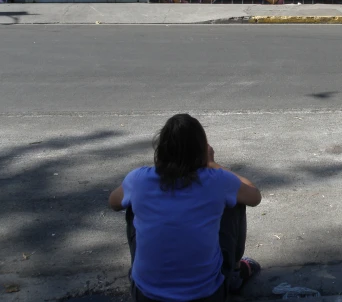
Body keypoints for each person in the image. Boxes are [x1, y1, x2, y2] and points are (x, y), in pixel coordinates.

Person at [109, 114, 263, 302]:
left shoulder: (139, 179)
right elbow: (254, 196)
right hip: (208, 295)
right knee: (236, 200)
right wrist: (213, 165)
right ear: (201, 150)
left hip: (147, 295)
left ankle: (146, 271)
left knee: (130, 203)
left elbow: (113, 202)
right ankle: (235, 273)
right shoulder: (217, 181)